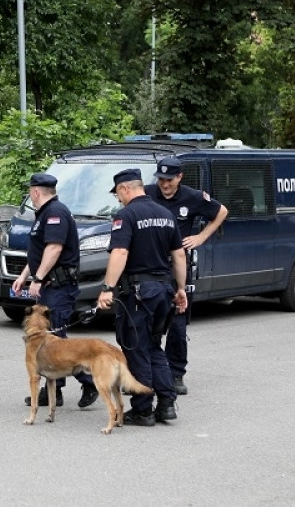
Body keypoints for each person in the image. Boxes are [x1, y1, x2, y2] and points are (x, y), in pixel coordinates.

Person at [97, 168, 188, 426]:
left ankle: (143, 410)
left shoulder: (126, 216)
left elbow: (120, 253)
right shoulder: (165, 214)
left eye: (118, 194)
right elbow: (179, 255)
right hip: (164, 291)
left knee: (136, 349)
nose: (118, 199)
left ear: (126, 188)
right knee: (154, 346)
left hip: (139, 294)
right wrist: (180, 289)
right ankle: (167, 404)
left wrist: (107, 288)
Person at [144, 156, 227, 395]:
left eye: (169, 180)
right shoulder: (148, 193)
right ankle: (149, 371)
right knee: (150, 323)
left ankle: (176, 373)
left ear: (180, 177)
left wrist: (201, 237)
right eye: (161, 179)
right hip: (152, 269)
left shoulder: (192, 197)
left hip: (178, 271)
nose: (165, 184)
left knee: (178, 327)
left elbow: (222, 211)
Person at [14, 173, 98, 408]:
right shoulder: (44, 214)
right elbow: (39, 252)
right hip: (51, 285)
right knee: (49, 341)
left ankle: (86, 380)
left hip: (58, 287)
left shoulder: (55, 213)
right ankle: (55, 391)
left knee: (55, 341)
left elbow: (53, 249)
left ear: (36, 192)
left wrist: (38, 279)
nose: (30, 195)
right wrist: (23, 276)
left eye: (30, 191)